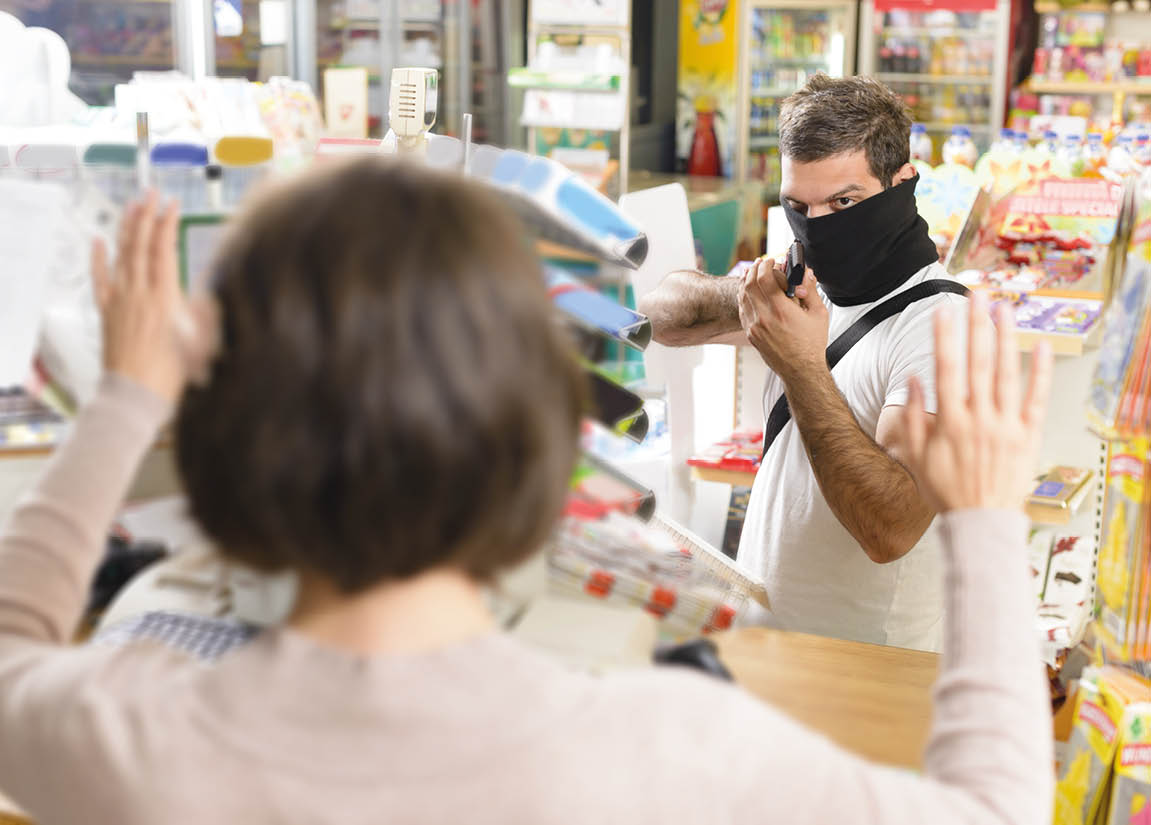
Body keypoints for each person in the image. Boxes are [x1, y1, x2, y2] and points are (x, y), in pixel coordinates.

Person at [0, 157, 1053, 824]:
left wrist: (129, 397)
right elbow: (995, 808)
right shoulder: (669, 753)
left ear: (215, 459)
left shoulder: (133, 742)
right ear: (544, 447)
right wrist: (983, 520)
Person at [639, 75, 967, 649]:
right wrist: (746, 297)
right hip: (775, 652)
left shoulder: (942, 325)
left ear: (903, 183)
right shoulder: (812, 285)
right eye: (799, 205)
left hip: (865, 677)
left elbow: (891, 527)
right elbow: (659, 317)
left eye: (845, 202)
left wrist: (800, 365)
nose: (820, 227)